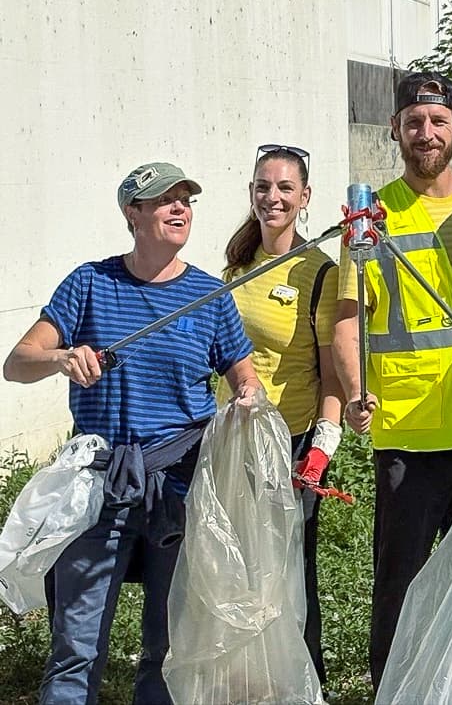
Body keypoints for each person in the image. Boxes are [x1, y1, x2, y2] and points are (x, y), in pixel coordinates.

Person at [2, 161, 260, 705]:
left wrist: (250, 402)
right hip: (98, 486)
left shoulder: (210, 296)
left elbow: (244, 375)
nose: (179, 208)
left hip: (180, 485)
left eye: (185, 200)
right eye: (165, 199)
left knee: (168, 644)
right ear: (132, 214)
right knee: (77, 640)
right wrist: (61, 357)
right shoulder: (89, 283)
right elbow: (18, 362)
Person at [332, 71, 452, 690]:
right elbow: (348, 317)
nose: (426, 133)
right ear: (395, 130)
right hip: (412, 430)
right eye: (414, 122)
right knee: (401, 580)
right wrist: (356, 388)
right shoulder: (372, 216)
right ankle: (395, 688)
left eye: (438, 121)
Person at [219, 143, 343, 689]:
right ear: (251, 193)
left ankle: (301, 681)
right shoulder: (237, 265)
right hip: (233, 439)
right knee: (237, 561)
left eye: (285, 188)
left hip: (290, 443)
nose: (272, 197)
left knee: (292, 569)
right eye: (262, 187)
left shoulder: (320, 272)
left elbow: (334, 371)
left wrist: (323, 445)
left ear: (305, 197)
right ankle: (248, 678)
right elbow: (223, 350)